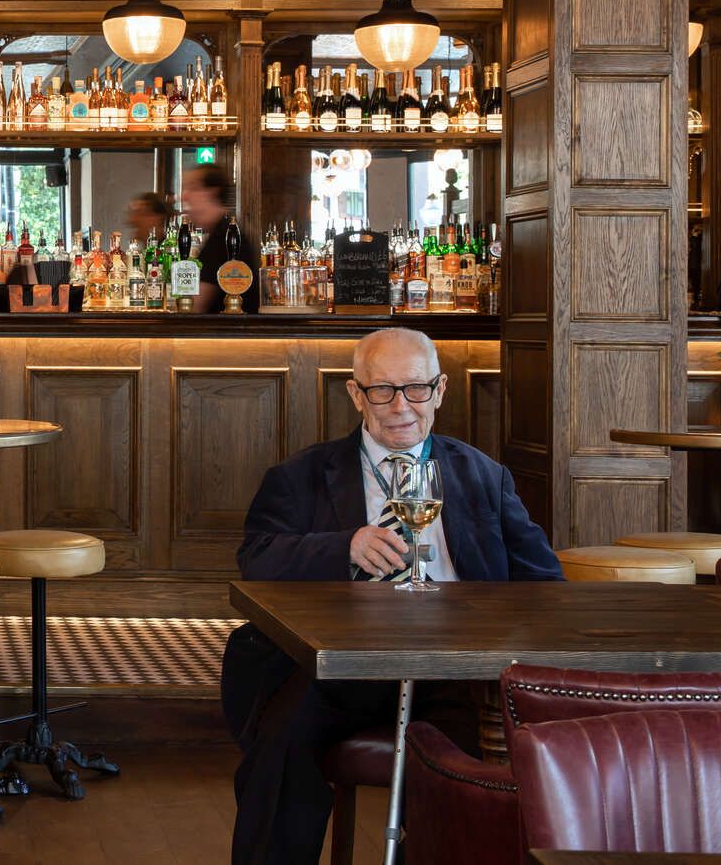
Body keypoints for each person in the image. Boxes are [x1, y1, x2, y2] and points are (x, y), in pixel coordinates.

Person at [222, 327, 561, 865]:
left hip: (453, 674)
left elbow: (545, 582)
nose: (401, 406)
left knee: (467, 776)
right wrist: (344, 547)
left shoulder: (483, 476)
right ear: (357, 394)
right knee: (283, 746)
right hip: (338, 668)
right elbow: (256, 561)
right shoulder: (299, 477)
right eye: (382, 390)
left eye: (416, 388)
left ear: (441, 390)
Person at [180, 163, 235, 313]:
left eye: (193, 187)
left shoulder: (222, 240)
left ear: (213, 192)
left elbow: (196, 307)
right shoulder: (221, 233)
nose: (184, 196)